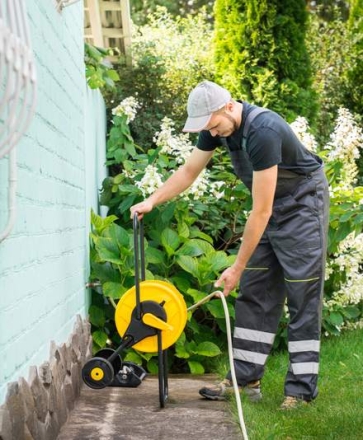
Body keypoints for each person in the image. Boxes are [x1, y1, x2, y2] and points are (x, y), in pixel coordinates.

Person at [130, 80, 329, 410]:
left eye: (214, 124)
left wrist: (236, 266)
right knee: (257, 291)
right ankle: (246, 381)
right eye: (207, 127)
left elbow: (261, 210)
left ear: (229, 106)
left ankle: (300, 391)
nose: (213, 132)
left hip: (302, 206)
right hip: (270, 208)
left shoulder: (263, 130)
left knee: (302, 294)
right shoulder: (215, 126)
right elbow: (190, 170)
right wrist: (152, 200)